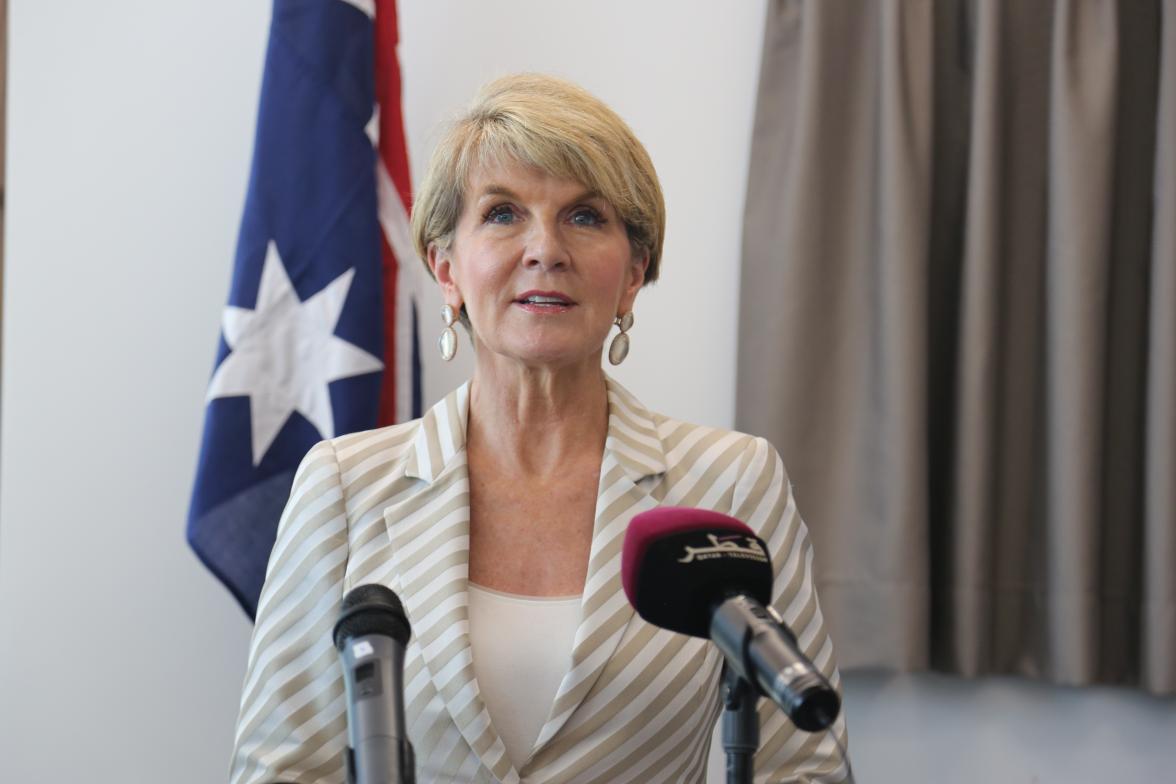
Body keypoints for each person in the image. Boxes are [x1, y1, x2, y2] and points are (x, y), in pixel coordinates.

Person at [230, 73, 850, 784]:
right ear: (447, 270)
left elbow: (805, 767)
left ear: (632, 276)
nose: (545, 248)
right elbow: (279, 771)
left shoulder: (734, 482)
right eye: (501, 214)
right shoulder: (343, 486)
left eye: (585, 217)